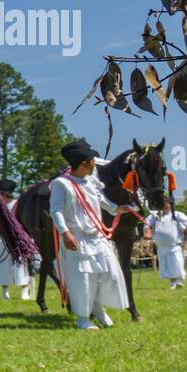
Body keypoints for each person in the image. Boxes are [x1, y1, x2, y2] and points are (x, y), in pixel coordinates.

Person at [48, 139, 130, 329]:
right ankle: (83, 318)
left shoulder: (91, 179)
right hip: (77, 238)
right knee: (83, 278)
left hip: (97, 236)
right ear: (84, 164)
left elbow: (100, 199)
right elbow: (56, 211)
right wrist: (65, 233)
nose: (95, 162)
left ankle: (99, 309)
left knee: (108, 272)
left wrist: (117, 209)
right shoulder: (62, 184)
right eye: (93, 159)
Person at [0, 178, 31, 300]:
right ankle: (5, 291)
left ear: (5, 193)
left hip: (19, 241)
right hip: (4, 241)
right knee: (2, 265)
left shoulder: (18, 205)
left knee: (21, 265)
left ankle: (25, 291)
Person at [144, 193, 187, 289]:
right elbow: (147, 224)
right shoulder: (154, 216)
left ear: (170, 204)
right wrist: (147, 233)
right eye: (161, 204)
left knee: (177, 263)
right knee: (166, 265)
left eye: (165, 203)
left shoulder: (177, 215)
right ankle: (173, 282)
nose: (164, 206)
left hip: (174, 245)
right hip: (161, 246)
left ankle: (179, 281)